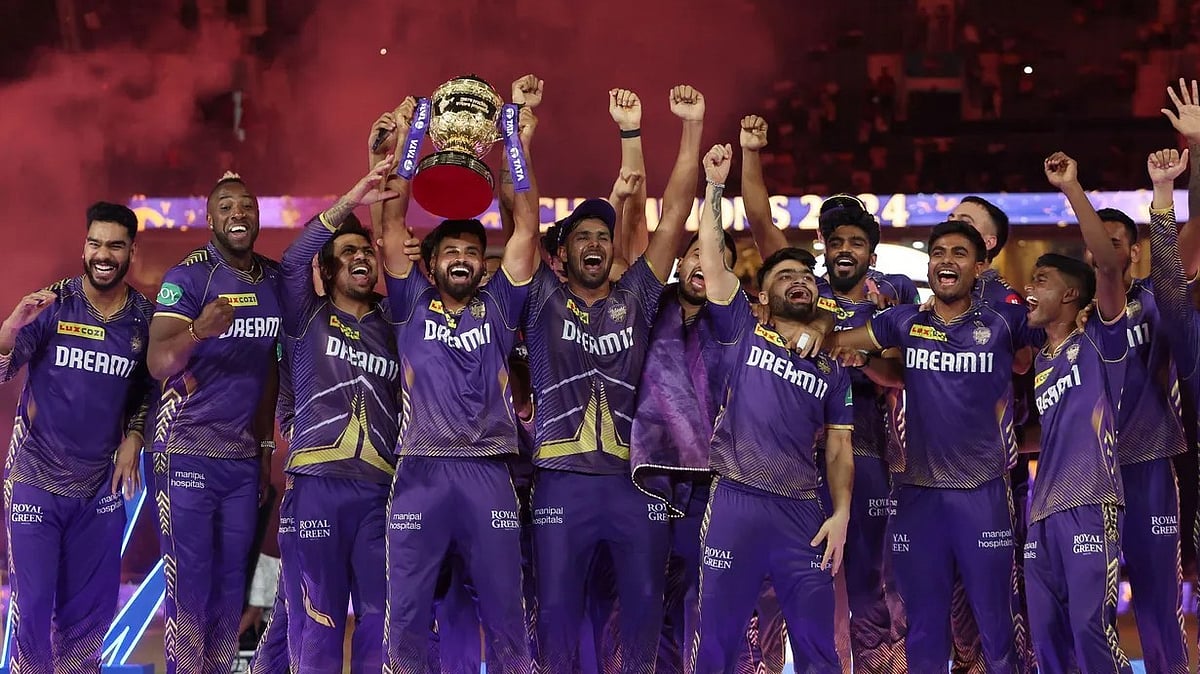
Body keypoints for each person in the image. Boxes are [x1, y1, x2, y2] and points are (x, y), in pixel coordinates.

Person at [518, 85, 700, 673]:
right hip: (561, 482)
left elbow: (672, 215)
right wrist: (522, 136)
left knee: (644, 610)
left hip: (633, 482)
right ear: (561, 252)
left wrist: (687, 127)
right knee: (556, 616)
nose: (595, 243)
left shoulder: (639, 298)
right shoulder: (541, 300)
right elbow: (520, 214)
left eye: (602, 235)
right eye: (581, 237)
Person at [373, 92, 540, 673]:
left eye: (473, 251)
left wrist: (512, 134)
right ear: (432, 262)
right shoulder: (409, 303)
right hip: (419, 470)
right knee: (408, 612)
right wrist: (413, 132)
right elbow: (392, 220)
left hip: (490, 471)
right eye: (452, 251)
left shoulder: (498, 307)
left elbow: (526, 228)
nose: (464, 259)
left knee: (505, 610)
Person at [828, 220, 1040, 673]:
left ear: (980, 266)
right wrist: (846, 352)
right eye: (938, 252)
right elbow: (837, 343)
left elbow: (1058, 334)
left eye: (959, 253)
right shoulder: (904, 321)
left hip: (983, 493)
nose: (946, 260)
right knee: (923, 628)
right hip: (917, 496)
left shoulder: (1006, 321)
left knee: (996, 627)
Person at [740, 115, 906, 673]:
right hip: (795, 463)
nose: (844, 250)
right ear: (821, 246)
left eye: (856, 242)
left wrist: (863, 352)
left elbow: (905, 372)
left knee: (869, 588)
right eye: (835, 241)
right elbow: (760, 218)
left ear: (871, 254)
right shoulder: (801, 296)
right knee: (775, 589)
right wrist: (753, 151)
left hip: (868, 456)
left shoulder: (892, 300)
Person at [692, 143, 852, 674]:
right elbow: (712, 261)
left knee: (817, 650)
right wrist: (715, 188)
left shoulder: (831, 366)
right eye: (785, 276)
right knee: (716, 643)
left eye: (805, 276)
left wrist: (843, 512)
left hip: (802, 512)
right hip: (735, 499)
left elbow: (838, 446)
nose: (799, 281)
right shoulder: (739, 329)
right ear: (761, 293)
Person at [0, 202, 152, 672]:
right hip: (35, 482)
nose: (102, 254)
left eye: (114, 245)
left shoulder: (145, 318)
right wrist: (10, 328)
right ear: (83, 246)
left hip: (98, 492)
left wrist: (135, 434)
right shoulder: (51, 305)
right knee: (34, 607)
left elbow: (149, 390)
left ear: (131, 252)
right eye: (94, 243)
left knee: (89, 617)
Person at [147, 171, 283, 674]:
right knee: (191, 584)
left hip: (243, 459)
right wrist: (198, 332)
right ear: (209, 218)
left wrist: (266, 446)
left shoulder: (271, 280)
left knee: (231, 585)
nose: (237, 215)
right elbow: (159, 361)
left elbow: (271, 365)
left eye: (246, 206)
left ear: (258, 215)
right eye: (226, 207)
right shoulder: (187, 278)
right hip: (184, 450)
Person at [275, 155, 402, 671]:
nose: (361, 258)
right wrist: (354, 199)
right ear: (325, 270)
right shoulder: (306, 315)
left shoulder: (396, 320)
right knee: (318, 617)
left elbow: (397, 253)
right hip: (316, 486)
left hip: (379, 489)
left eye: (364, 250)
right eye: (346, 253)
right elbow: (289, 262)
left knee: (379, 614)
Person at [1021, 151, 1136, 673]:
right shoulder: (1042, 359)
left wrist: (1072, 187)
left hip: (1092, 501)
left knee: (1091, 630)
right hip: (1040, 511)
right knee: (1047, 639)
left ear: (1070, 293)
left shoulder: (1101, 339)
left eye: (1040, 280)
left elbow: (1108, 265)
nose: (1030, 288)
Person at [948, 194, 1032, 674]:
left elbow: (1023, 362)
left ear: (988, 243)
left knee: (1000, 596)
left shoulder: (1008, 304)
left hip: (994, 477)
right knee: (952, 601)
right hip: (934, 475)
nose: (950, 224)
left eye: (963, 221)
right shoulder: (934, 300)